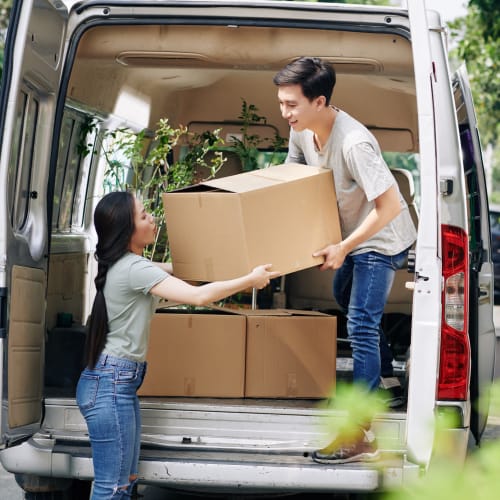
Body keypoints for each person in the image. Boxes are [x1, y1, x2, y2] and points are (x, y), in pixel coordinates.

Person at [76, 191, 279, 499]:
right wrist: (249, 280)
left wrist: (237, 263)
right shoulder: (134, 268)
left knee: (125, 482)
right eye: (144, 215)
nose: (152, 218)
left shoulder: (131, 264)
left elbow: (184, 272)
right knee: (112, 488)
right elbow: (199, 296)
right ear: (126, 229)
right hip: (111, 384)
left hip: (115, 382)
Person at [273, 57, 417, 464]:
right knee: (345, 296)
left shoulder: (355, 143)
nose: (284, 114)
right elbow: (295, 167)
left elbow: (388, 206)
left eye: (291, 105)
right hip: (352, 237)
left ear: (319, 102)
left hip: (381, 238)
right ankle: (388, 379)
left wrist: (343, 247)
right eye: (281, 103)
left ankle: (360, 432)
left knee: (360, 323)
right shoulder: (301, 132)